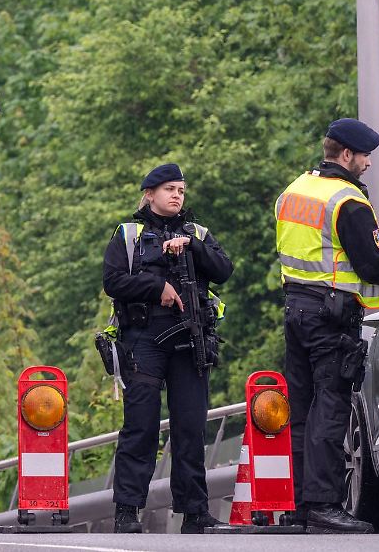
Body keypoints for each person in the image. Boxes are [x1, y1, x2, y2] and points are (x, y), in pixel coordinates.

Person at [275, 119, 379, 533]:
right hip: (332, 319)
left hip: (296, 310)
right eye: (364, 156)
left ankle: (299, 507)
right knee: (331, 409)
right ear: (346, 154)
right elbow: (373, 265)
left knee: (303, 413)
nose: (367, 164)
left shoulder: (294, 191)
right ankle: (324, 504)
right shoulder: (347, 201)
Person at [103, 163, 234, 534]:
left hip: (190, 341)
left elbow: (224, 270)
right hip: (144, 341)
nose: (177, 196)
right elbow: (113, 281)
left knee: (190, 428)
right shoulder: (128, 235)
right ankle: (127, 512)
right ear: (149, 194)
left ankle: (195, 514)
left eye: (181, 190)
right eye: (169, 189)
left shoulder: (198, 232)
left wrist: (191, 246)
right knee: (140, 428)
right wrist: (155, 288)